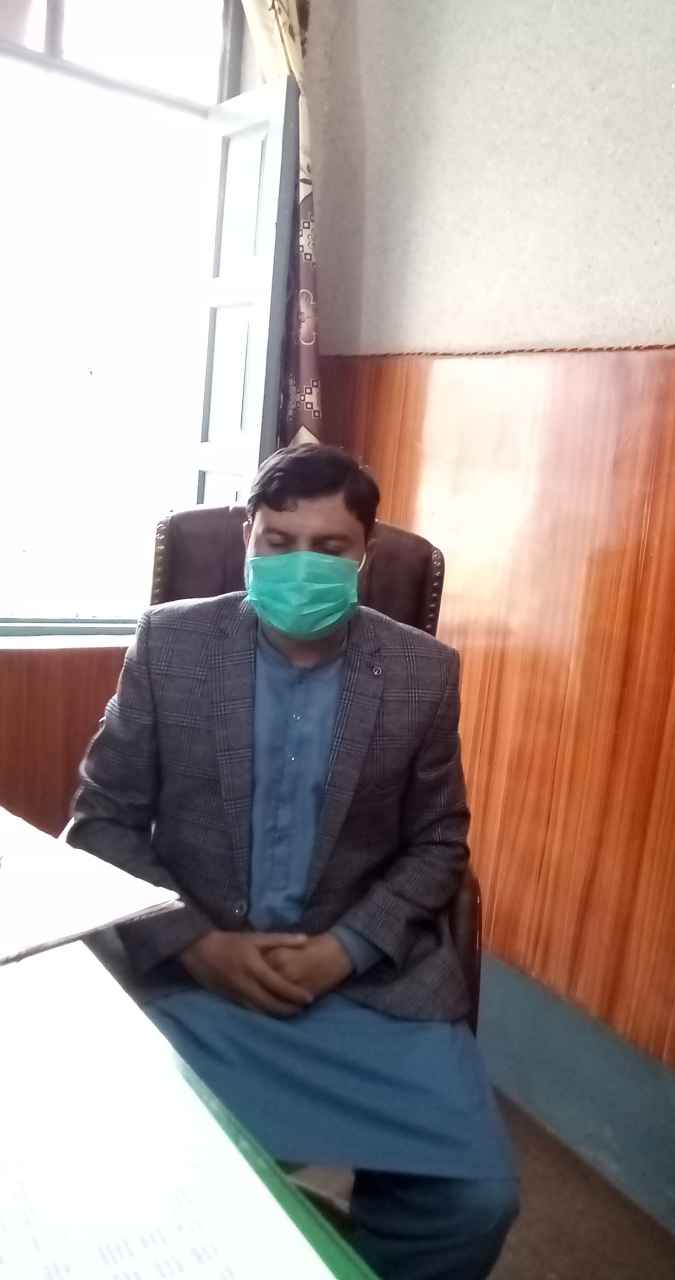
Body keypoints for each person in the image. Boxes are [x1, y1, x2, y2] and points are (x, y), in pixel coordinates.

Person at [67, 444, 519, 1280]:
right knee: (162, 1194)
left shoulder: (422, 672)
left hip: (368, 988)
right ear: (248, 537)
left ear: (365, 554)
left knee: (475, 1201)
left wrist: (345, 949)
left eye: (330, 546)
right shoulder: (172, 644)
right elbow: (102, 825)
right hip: (198, 984)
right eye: (279, 542)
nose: (301, 564)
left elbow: (438, 842)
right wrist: (198, 946)